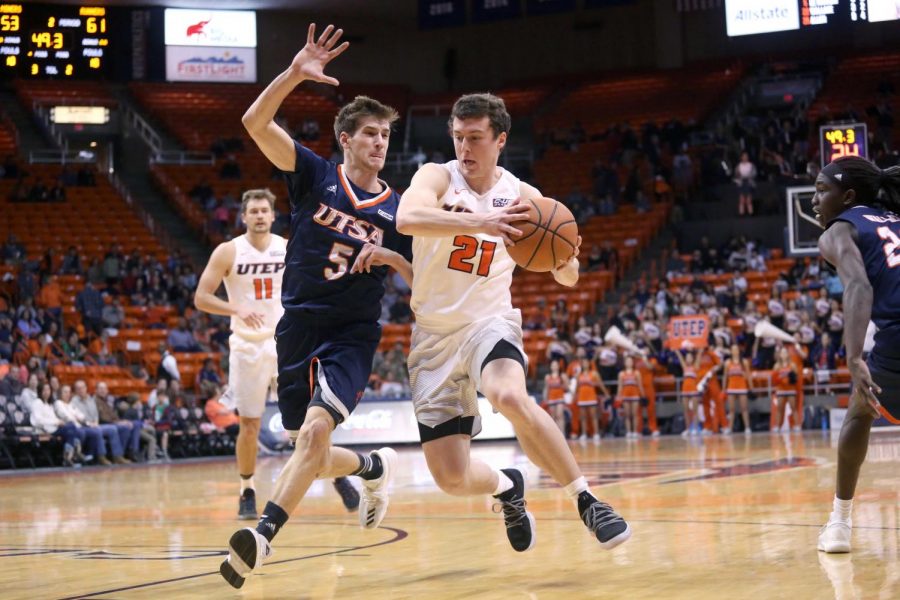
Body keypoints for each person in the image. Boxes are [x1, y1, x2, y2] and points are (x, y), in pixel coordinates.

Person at [219, 24, 414, 589]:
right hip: (297, 325)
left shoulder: (400, 210)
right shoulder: (313, 175)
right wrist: (293, 73)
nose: (380, 142)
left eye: (385, 135)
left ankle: (262, 535)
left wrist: (390, 258)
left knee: (311, 438)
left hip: (351, 333)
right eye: (370, 134)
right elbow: (253, 124)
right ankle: (373, 467)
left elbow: (420, 280)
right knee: (313, 447)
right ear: (346, 139)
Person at [396, 92, 630, 553]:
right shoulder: (437, 177)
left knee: (508, 394)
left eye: (476, 139)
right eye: (459, 137)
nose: (465, 148)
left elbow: (567, 273)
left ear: (500, 140)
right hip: (433, 338)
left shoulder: (524, 198)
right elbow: (406, 217)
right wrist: (480, 222)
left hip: (489, 322)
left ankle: (586, 500)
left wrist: (564, 259)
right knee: (451, 477)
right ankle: (507, 487)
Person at [195, 188, 359, 521]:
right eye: (252, 211)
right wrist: (236, 308)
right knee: (250, 424)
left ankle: (338, 476)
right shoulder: (228, 251)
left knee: (310, 421)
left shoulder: (287, 248)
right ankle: (247, 490)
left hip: (287, 342)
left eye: (263, 211)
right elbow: (201, 297)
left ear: (272, 216)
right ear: (244, 217)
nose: (258, 216)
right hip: (247, 346)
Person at [812, 156, 900, 553]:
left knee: (860, 411)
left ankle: (840, 522)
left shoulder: (839, 230)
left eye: (820, 190)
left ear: (847, 196)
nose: (815, 200)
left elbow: (859, 288)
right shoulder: (895, 217)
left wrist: (852, 358)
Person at [722, 343, 753, 435]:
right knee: (731, 409)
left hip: (742, 387)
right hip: (731, 387)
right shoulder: (727, 363)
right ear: (731, 351)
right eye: (733, 349)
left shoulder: (744, 362)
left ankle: (747, 427)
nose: (735, 351)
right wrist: (724, 388)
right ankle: (729, 428)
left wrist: (751, 387)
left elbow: (748, 375)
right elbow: (725, 377)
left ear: (739, 351)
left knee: (744, 408)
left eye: (736, 349)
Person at [616, 355, 644, 439]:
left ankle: (635, 431)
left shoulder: (636, 373)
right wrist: (618, 397)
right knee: (627, 414)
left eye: (630, 361)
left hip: (635, 394)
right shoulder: (621, 374)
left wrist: (643, 395)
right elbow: (620, 386)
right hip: (625, 395)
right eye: (627, 361)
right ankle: (628, 431)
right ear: (624, 363)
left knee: (635, 414)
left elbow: (640, 385)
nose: (629, 362)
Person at [542, 359, 568, 436]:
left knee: (559, 415)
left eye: (556, 365)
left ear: (558, 366)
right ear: (550, 367)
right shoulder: (547, 377)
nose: (554, 366)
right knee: (553, 416)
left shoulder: (562, 376)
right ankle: (555, 435)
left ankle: (562, 434)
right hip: (551, 398)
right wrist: (545, 398)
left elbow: (566, 387)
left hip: (560, 397)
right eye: (552, 365)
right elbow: (546, 388)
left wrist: (562, 384)